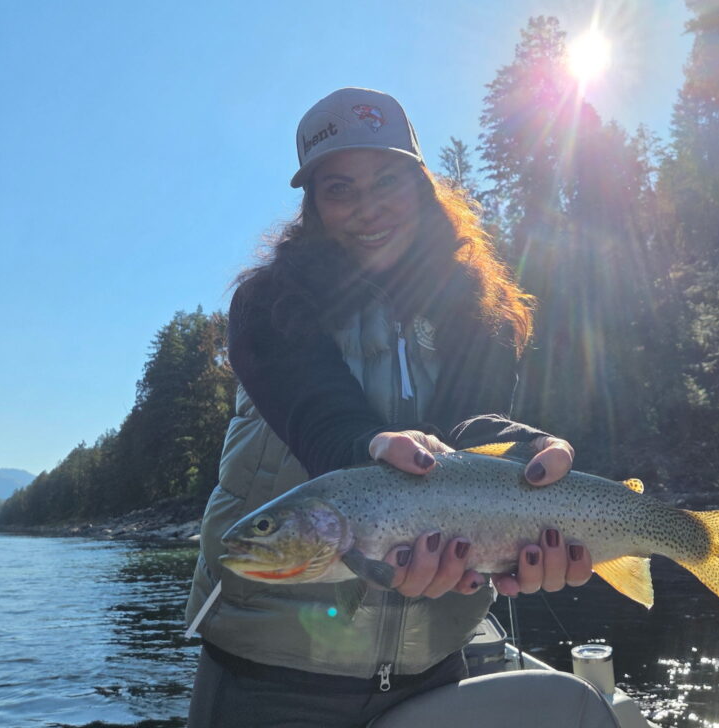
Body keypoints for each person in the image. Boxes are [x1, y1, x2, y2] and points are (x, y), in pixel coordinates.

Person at [185, 87, 593, 727]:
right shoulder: (268, 303)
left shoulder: (482, 311)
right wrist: (371, 448)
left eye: (388, 181)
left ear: (424, 186)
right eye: (339, 188)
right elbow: (322, 418)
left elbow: (469, 424)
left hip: (432, 666)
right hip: (266, 668)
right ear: (314, 206)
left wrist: (526, 450)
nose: (366, 208)